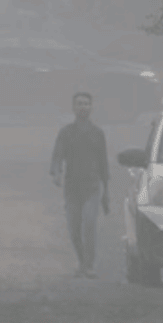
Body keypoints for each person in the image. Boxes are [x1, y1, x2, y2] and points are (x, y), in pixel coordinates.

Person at [50, 91, 111, 279]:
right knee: (74, 228)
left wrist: (106, 192)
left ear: (91, 108)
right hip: (72, 188)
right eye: (79, 104)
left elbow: (103, 164)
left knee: (89, 224)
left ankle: (89, 265)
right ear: (73, 108)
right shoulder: (66, 133)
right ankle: (82, 262)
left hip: (92, 187)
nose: (83, 107)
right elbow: (57, 156)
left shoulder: (97, 134)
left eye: (86, 104)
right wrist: (57, 173)